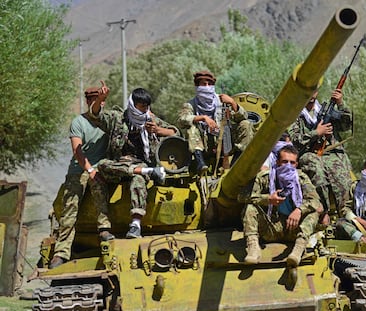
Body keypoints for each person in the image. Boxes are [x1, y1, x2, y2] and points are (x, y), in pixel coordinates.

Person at [90, 87, 178, 239]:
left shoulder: (150, 119)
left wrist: (157, 130)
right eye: (142, 106)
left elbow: (175, 132)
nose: (145, 109)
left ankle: (135, 225)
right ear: (133, 104)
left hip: (140, 164)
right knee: (102, 165)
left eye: (147, 106)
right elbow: (96, 115)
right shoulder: (118, 118)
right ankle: (149, 172)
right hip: (118, 166)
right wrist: (100, 99)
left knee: (138, 180)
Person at [49, 81, 113, 269]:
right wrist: (90, 170)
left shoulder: (109, 121)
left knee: (99, 185)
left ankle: (104, 228)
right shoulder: (79, 122)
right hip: (80, 169)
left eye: (99, 99)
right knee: (69, 209)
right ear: (88, 101)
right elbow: (78, 151)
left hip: (102, 169)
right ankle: (61, 253)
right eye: (93, 99)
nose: (97, 102)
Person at [239, 145, 322, 267]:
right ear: (277, 162)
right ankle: (253, 248)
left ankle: (298, 250)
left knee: (313, 213)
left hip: (293, 228)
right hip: (271, 228)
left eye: (292, 162)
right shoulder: (265, 178)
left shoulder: (301, 179)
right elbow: (242, 196)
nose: (288, 165)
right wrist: (267, 199)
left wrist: (299, 210)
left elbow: (315, 200)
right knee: (250, 208)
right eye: (284, 161)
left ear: (296, 164)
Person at [288, 88, 353, 225]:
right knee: (316, 172)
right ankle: (322, 211)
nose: (311, 93)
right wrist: (316, 133)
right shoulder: (294, 114)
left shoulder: (326, 109)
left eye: (314, 89)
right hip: (309, 153)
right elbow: (294, 141)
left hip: (331, 153)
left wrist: (340, 104)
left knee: (342, 177)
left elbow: (346, 126)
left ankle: (346, 215)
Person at [177, 70, 254, 174]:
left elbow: (243, 117)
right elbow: (181, 120)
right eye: (204, 84)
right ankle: (201, 163)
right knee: (191, 128)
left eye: (210, 84)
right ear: (197, 86)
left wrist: (232, 103)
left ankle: (236, 162)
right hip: (203, 143)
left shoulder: (222, 101)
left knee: (246, 124)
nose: (207, 86)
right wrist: (202, 118)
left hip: (224, 141)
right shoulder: (190, 105)